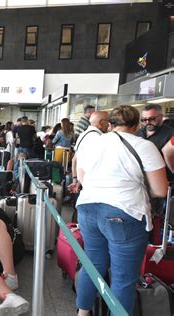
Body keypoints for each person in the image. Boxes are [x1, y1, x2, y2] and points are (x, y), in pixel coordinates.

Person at [75, 106, 168, 315]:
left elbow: (82, 177)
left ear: (110, 124)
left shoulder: (92, 143)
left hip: (88, 209)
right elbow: (160, 190)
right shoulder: (144, 146)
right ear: (136, 125)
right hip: (124, 213)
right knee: (123, 278)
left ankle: (82, 313)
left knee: (92, 265)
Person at [68, 111, 110, 194]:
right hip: (91, 188)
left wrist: (75, 180)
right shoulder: (99, 138)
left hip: (81, 184)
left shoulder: (83, 135)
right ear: (101, 122)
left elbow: (74, 160)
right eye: (108, 122)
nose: (109, 125)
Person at [136, 104, 174, 182]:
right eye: (143, 120)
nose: (147, 122)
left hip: (163, 180)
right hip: (140, 179)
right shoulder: (138, 133)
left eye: (152, 119)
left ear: (161, 117)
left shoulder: (171, 134)